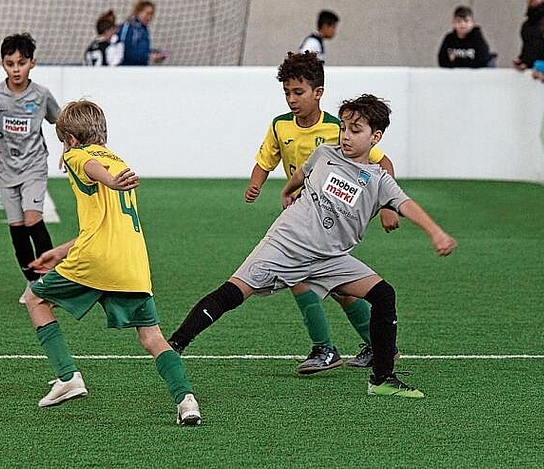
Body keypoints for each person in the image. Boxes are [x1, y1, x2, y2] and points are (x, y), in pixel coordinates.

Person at [168, 94, 457, 398]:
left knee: (384, 294)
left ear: (376, 136)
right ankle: (175, 343)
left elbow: (406, 204)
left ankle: (382, 379)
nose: (346, 135)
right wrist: (287, 190)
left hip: (330, 257)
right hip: (287, 244)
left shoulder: (378, 180)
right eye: (344, 127)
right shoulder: (324, 154)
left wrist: (435, 232)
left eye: (355, 130)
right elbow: (301, 173)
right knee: (234, 292)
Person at [213, 50, 399, 374]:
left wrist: (386, 208)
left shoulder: (338, 129)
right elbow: (265, 160)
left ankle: (325, 349)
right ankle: (380, 345)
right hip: (304, 216)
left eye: (298, 92)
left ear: (318, 93)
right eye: (286, 92)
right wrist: (255, 185)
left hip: (335, 219)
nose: (291, 99)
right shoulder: (280, 126)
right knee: (340, 289)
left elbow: (383, 163)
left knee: (299, 277)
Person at [23, 99, 202, 425]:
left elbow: (90, 167)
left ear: (72, 139)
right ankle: (186, 400)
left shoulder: (78, 155)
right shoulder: (119, 161)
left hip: (96, 260)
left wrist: (106, 179)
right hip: (131, 264)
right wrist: (61, 251)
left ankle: (68, 377)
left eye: (64, 140)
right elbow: (104, 224)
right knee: (152, 337)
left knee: (34, 298)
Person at [0, 33, 60, 304]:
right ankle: (33, 283)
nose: (16, 69)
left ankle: (51, 282)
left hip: (34, 165)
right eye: (10, 64)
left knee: (33, 219)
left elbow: (60, 122)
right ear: (2, 64)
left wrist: (68, 148)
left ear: (32, 63)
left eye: (21, 63)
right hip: (6, 169)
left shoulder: (42, 95)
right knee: (17, 228)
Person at [118, 0, 167, 66]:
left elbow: (141, 50)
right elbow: (124, 50)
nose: (149, 17)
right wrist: (148, 56)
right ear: (139, 12)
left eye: (152, 14)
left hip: (141, 68)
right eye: (147, 13)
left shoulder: (143, 29)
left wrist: (154, 53)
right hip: (128, 69)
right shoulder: (128, 27)